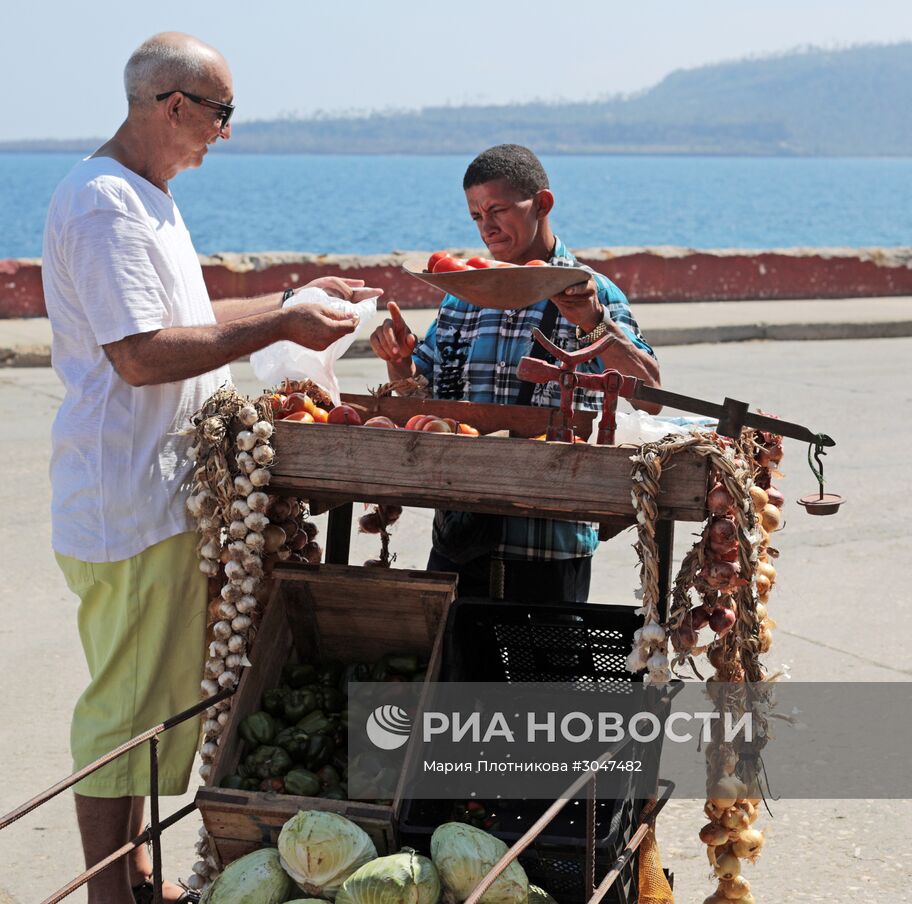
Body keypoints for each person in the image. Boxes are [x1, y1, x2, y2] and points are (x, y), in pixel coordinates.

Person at [42, 32, 382, 904]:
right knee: (123, 714)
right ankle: (108, 893)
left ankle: (137, 872)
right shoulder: (103, 205)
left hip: (159, 494)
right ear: (173, 105)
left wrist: (289, 300)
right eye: (221, 113)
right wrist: (277, 329)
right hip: (131, 499)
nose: (224, 135)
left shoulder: (147, 197)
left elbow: (186, 315)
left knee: (152, 709)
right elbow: (141, 354)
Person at [369, 143, 661, 604]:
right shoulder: (461, 294)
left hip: (549, 543)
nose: (487, 226)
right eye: (476, 215)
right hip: (460, 532)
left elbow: (650, 396)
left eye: (498, 210)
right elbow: (420, 397)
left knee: (541, 677)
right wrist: (399, 358)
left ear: (542, 204)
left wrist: (594, 323)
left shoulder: (590, 291)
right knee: (454, 672)